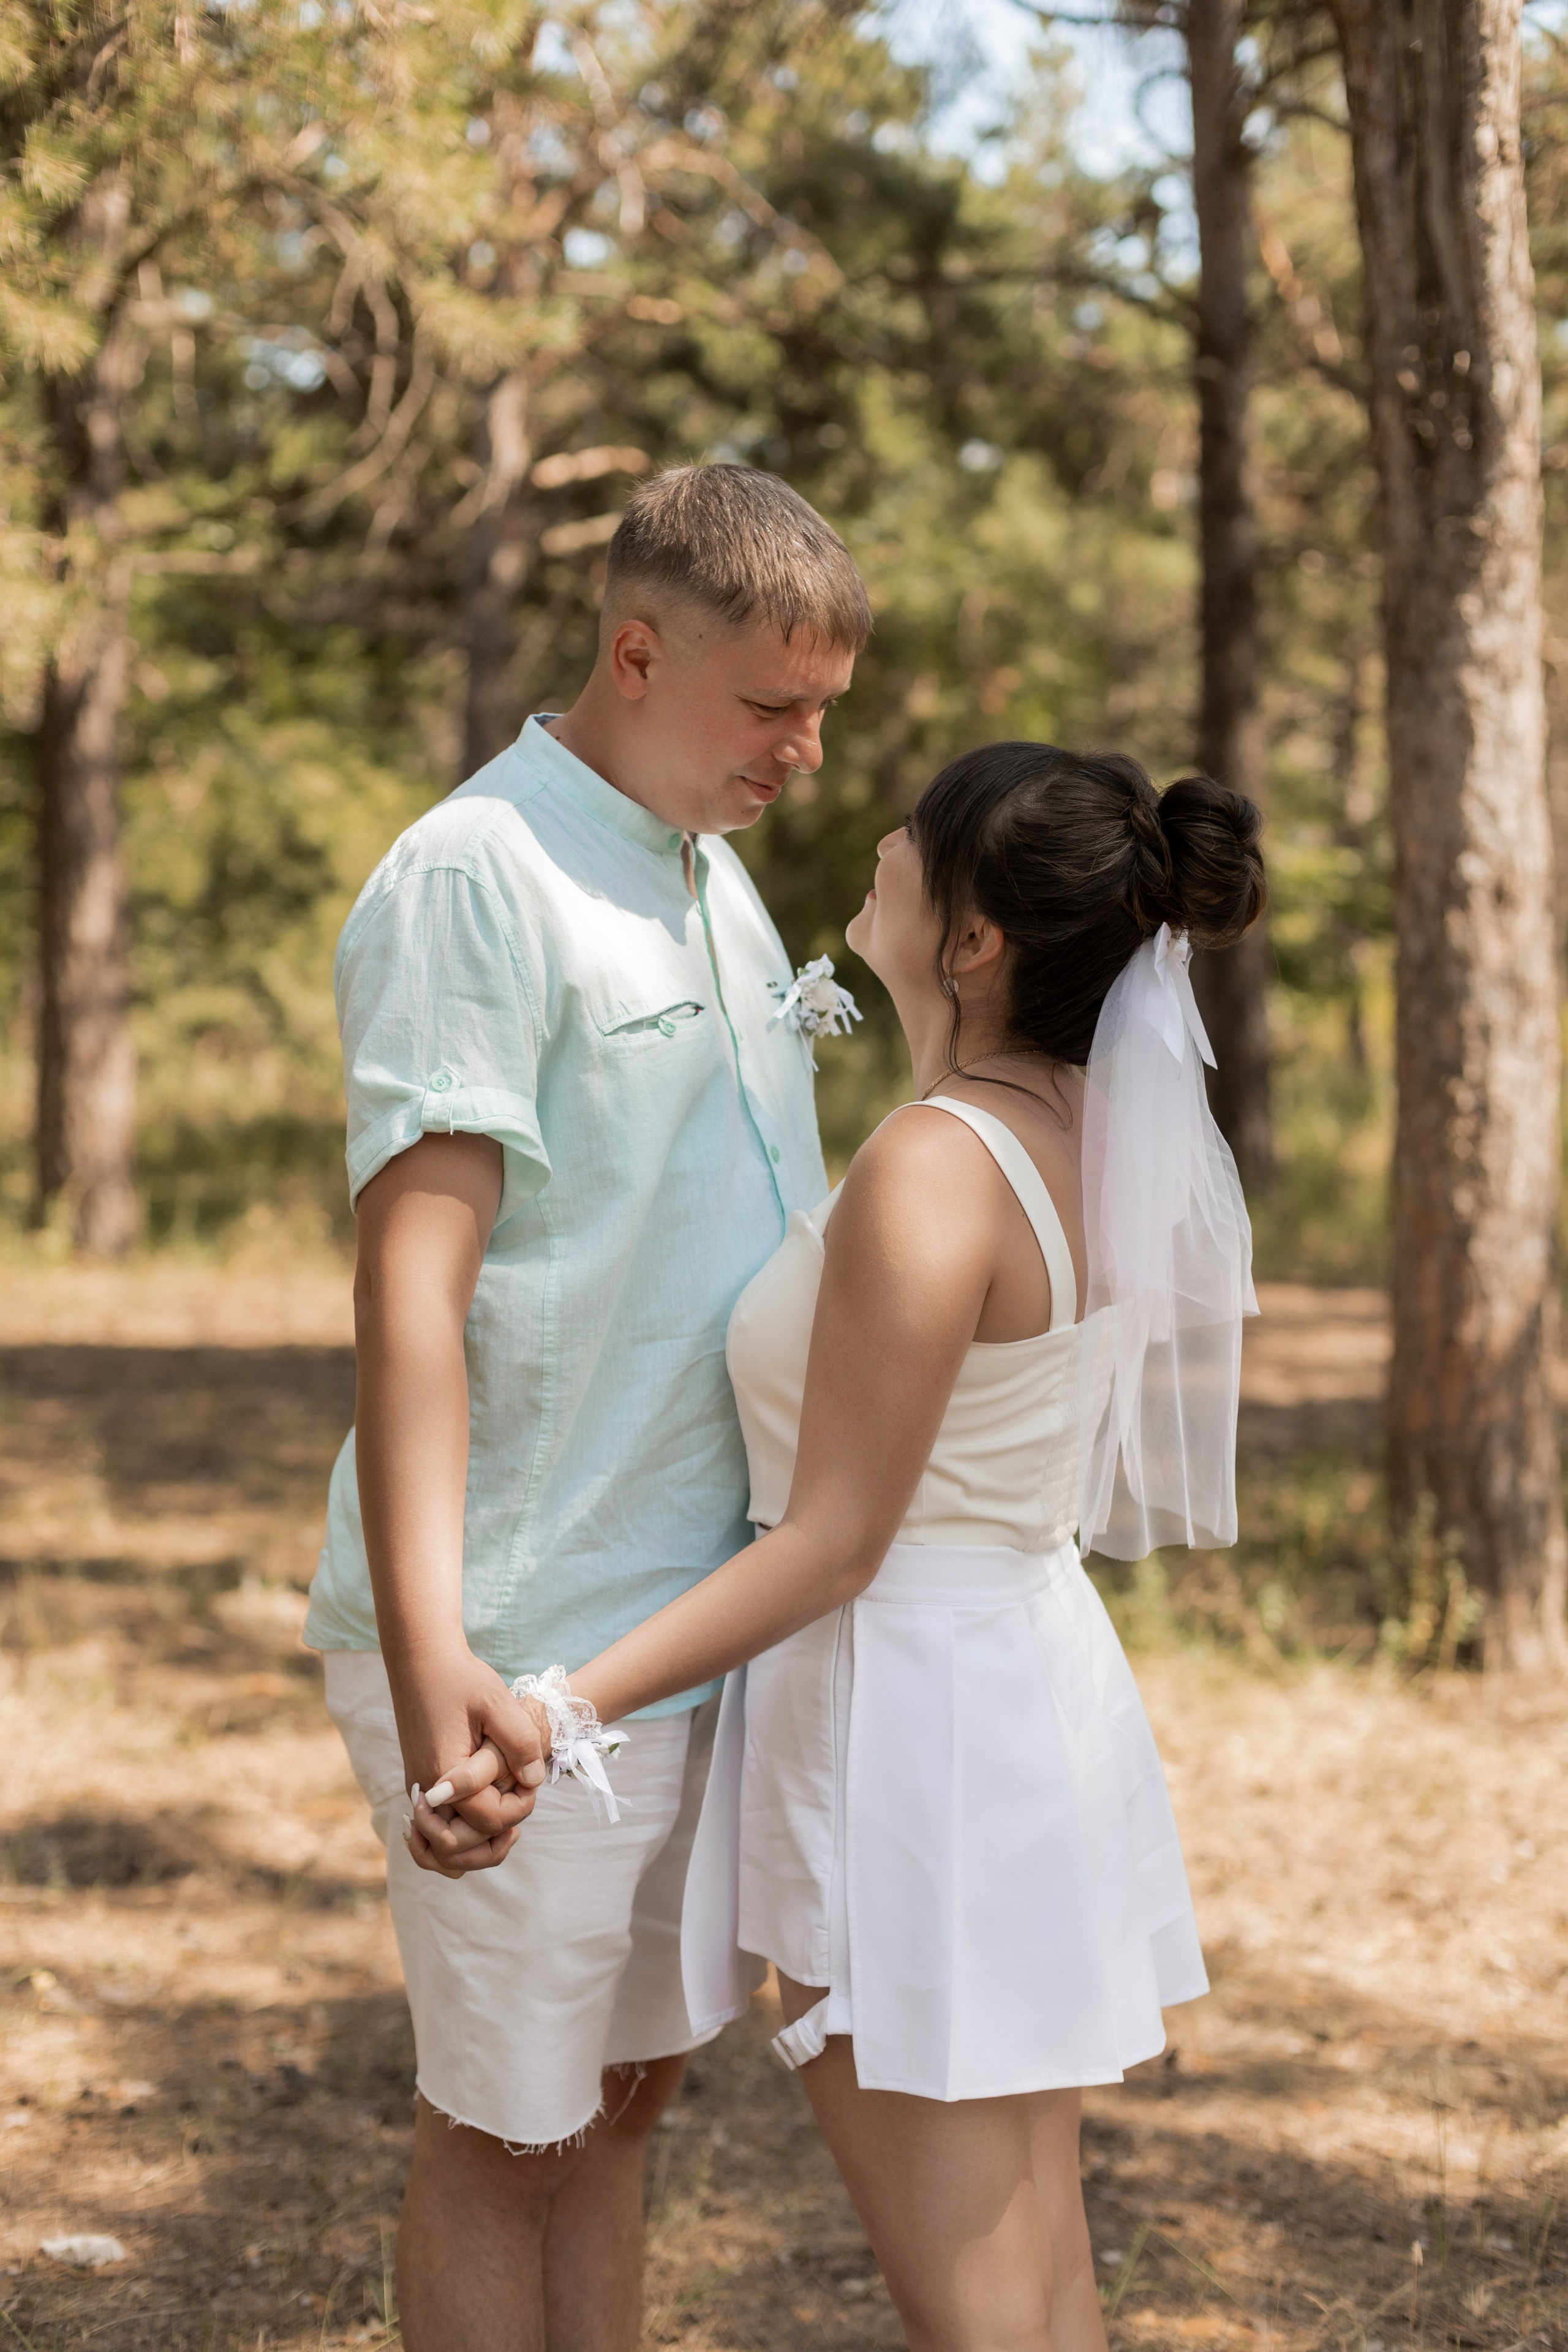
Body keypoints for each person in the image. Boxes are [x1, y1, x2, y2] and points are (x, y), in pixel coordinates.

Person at [415, 741, 1264, 2352]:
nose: (882, 835)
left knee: (979, 2301)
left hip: (916, 1731)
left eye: (918, 831)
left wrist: (559, 1707)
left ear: (974, 941)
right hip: (1022, 1675)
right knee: (1038, 2266)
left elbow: (836, 1542)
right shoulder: (1084, 1130)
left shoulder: (938, 1167)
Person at [303, 462, 872, 2352]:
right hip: (512, 1634)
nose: (803, 751)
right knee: (506, 2134)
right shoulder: (476, 876)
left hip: (680, 1633)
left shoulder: (714, 871)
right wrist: (431, 1653)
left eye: (824, 711)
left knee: (624, 2111)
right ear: (636, 654)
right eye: (771, 705)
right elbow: (411, 1290)